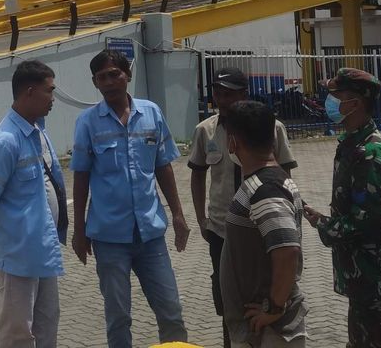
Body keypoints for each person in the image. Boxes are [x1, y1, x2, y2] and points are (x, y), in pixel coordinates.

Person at [70, 49, 189, 348]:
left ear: (128, 76)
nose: (109, 82)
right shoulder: (87, 122)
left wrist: (177, 214)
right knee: (119, 317)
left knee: (171, 311)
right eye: (102, 77)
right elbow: (81, 178)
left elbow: (163, 166)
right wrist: (79, 230)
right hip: (109, 238)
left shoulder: (151, 113)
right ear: (95, 82)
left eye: (115, 74)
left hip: (150, 234)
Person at [303, 68, 381, 348]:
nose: (329, 102)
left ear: (354, 103)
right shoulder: (354, 144)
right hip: (364, 276)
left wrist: (323, 225)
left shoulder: (371, 155)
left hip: (379, 278)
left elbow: (367, 223)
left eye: (335, 96)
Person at [189, 68, 296, 347]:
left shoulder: (270, 127)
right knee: (229, 297)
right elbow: (197, 173)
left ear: (244, 94)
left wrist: (274, 306)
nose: (222, 99)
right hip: (222, 227)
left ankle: (262, 335)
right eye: (218, 93)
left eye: (229, 93)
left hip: (262, 229)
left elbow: (283, 175)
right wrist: (201, 218)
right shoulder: (206, 130)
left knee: (260, 289)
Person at [0, 60, 66, 348]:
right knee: (17, 333)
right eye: (49, 91)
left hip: (42, 249)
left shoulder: (38, 131)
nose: (53, 98)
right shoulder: (5, 142)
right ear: (29, 91)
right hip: (16, 253)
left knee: (47, 322)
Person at [218, 100, 308, 348]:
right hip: (260, 331)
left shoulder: (266, 190)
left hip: (270, 332)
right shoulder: (262, 184)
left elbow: (287, 250)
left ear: (233, 142)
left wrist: (274, 307)